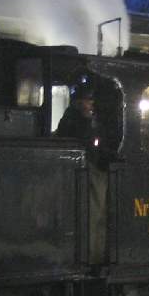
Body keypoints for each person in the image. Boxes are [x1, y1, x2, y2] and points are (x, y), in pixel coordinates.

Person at [55, 81, 108, 262]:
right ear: (79, 102)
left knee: (98, 215)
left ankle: (96, 254)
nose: (91, 105)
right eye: (88, 101)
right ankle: (92, 256)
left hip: (90, 170)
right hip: (86, 172)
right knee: (92, 215)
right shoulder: (75, 121)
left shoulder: (76, 119)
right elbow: (85, 144)